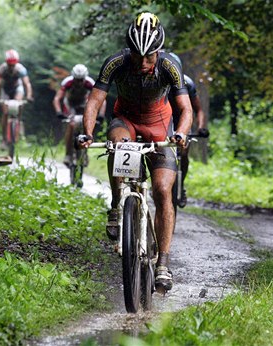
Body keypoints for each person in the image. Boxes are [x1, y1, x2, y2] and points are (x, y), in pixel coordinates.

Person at [79, 12, 193, 292]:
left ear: (158, 51)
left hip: (160, 125)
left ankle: (163, 263)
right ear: (129, 49)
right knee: (117, 144)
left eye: (149, 57)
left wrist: (181, 134)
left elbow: (185, 108)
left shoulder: (170, 64)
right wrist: (88, 133)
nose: (142, 63)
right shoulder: (116, 63)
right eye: (136, 56)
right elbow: (95, 101)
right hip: (126, 120)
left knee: (163, 190)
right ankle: (118, 204)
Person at [168, 53, 209, 208]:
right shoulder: (160, 79)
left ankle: (181, 185)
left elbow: (198, 110)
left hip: (183, 120)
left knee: (184, 152)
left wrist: (200, 127)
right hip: (164, 120)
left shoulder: (188, 83)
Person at [53, 64, 106, 166]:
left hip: (83, 105)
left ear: (84, 78)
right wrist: (59, 112)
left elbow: (101, 100)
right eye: (77, 80)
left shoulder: (90, 83)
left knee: (88, 127)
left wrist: (101, 114)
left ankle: (85, 154)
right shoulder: (67, 82)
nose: (78, 82)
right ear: (73, 77)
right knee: (72, 125)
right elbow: (57, 98)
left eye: (81, 80)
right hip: (70, 105)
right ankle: (68, 154)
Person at [0, 49, 34, 149]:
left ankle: (18, 125)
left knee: (18, 105)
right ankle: (4, 139)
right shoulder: (1, 69)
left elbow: (27, 84)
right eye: (9, 64)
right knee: (5, 113)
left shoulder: (21, 69)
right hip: (6, 90)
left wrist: (29, 96)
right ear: (6, 63)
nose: (11, 66)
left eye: (13, 64)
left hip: (17, 88)